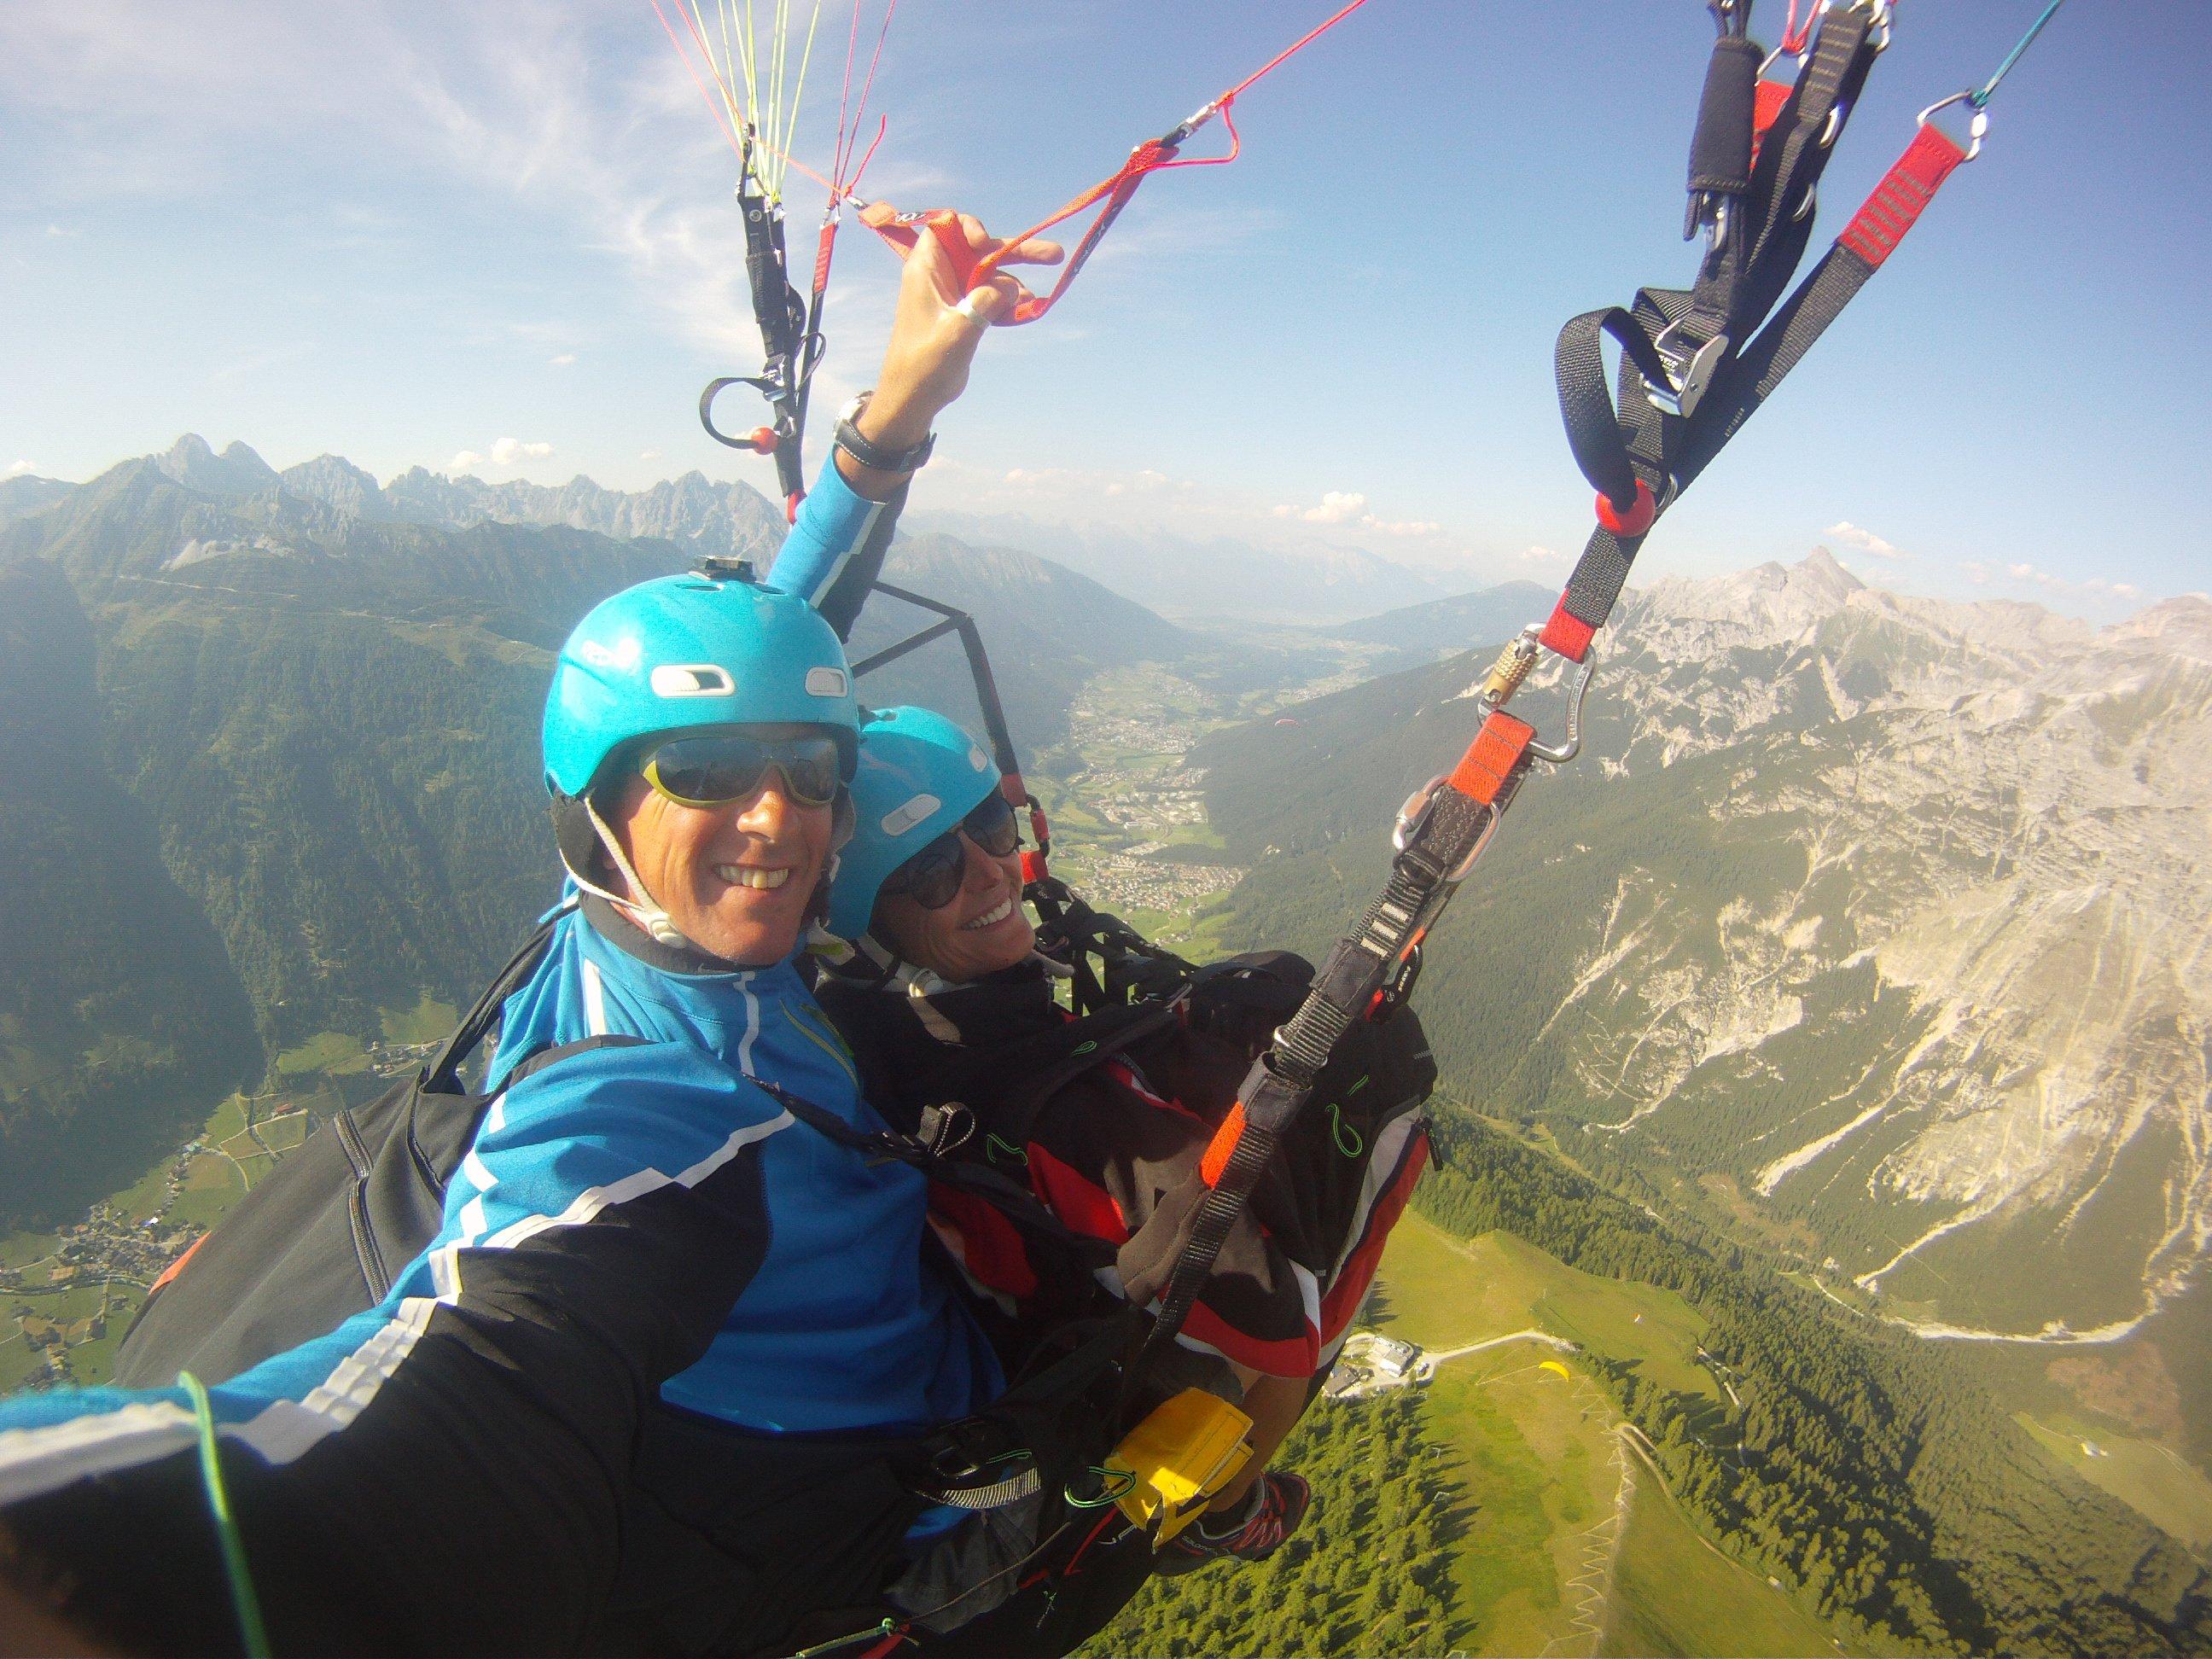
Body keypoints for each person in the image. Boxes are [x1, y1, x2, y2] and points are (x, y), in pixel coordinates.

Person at [0, 218, 1141, 1659]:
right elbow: (490, 1347)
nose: (776, 817)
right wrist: (100, 1562)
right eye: (707, 773)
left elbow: (778, 630)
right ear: (601, 810)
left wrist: (902, 401)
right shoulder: (647, 1106)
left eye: (808, 770)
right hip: (888, 1477)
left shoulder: (627, 916)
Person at [812, 704, 1437, 1572]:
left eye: (989, 825)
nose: (991, 871)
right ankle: (1227, 1513)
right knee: (1307, 1273)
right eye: (930, 870)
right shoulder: (1081, 1128)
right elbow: (1275, 1338)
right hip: (1085, 1354)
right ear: (867, 925)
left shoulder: (844, 1025)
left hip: (1012, 1278)